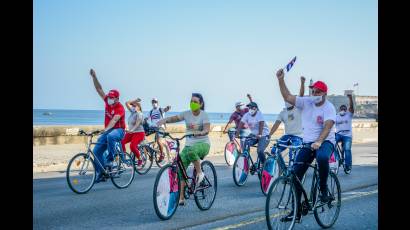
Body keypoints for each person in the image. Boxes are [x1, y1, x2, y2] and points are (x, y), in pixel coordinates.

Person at [275, 68, 336, 222]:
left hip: (326, 141)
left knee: (322, 158)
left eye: (317, 92)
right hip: (308, 143)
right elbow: (288, 96)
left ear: (324, 94)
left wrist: (319, 141)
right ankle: (296, 211)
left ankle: (323, 190)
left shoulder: (329, 107)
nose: (314, 94)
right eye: (313, 91)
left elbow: (328, 126)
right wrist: (280, 79)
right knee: (295, 174)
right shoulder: (306, 102)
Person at [156, 93, 210, 206]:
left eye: (195, 102)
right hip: (189, 145)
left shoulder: (204, 115)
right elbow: (174, 118)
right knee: (180, 167)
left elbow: (206, 129)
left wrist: (200, 132)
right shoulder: (186, 114)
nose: (193, 103)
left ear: (200, 104)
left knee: (191, 152)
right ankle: (181, 198)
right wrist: (164, 120)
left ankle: (200, 174)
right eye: (191, 101)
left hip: (203, 144)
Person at [89, 69, 126, 183]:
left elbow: (114, 121)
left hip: (119, 130)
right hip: (108, 130)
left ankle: (111, 159)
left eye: (112, 97)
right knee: (96, 152)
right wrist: (94, 77)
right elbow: (99, 89)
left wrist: (104, 130)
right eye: (109, 97)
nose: (109, 98)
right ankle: (102, 173)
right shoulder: (107, 101)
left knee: (110, 136)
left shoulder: (120, 108)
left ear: (117, 99)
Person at [269, 76, 305, 164]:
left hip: (298, 136)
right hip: (287, 135)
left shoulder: (298, 108)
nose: (287, 101)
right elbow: (276, 124)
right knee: (274, 150)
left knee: (292, 153)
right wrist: (269, 135)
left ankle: (292, 170)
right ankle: (282, 167)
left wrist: (302, 83)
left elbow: (301, 95)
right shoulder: (283, 112)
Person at [236, 101, 270, 168]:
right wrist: (237, 133)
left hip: (264, 135)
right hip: (253, 134)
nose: (250, 109)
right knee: (246, 144)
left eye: (252, 107)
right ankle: (246, 162)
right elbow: (241, 123)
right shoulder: (247, 115)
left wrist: (260, 134)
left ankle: (265, 164)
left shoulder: (259, 114)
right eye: (249, 107)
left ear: (256, 108)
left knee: (260, 151)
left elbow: (261, 123)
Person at [121, 98, 145, 167]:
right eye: (132, 106)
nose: (133, 107)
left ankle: (140, 159)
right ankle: (123, 157)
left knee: (132, 146)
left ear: (139, 107)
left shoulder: (139, 114)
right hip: (131, 132)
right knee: (122, 142)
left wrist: (132, 130)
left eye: (134, 106)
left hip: (139, 133)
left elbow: (137, 123)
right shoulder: (133, 112)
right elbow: (126, 103)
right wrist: (135, 101)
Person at [335, 93, 354, 172]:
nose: (343, 110)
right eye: (341, 109)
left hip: (347, 135)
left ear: (346, 110)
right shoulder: (336, 116)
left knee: (347, 149)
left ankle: (348, 165)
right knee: (331, 143)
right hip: (339, 134)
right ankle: (338, 158)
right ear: (339, 110)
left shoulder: (349, 115)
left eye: (344, 109)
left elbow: (352, 107)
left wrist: (350, 98)